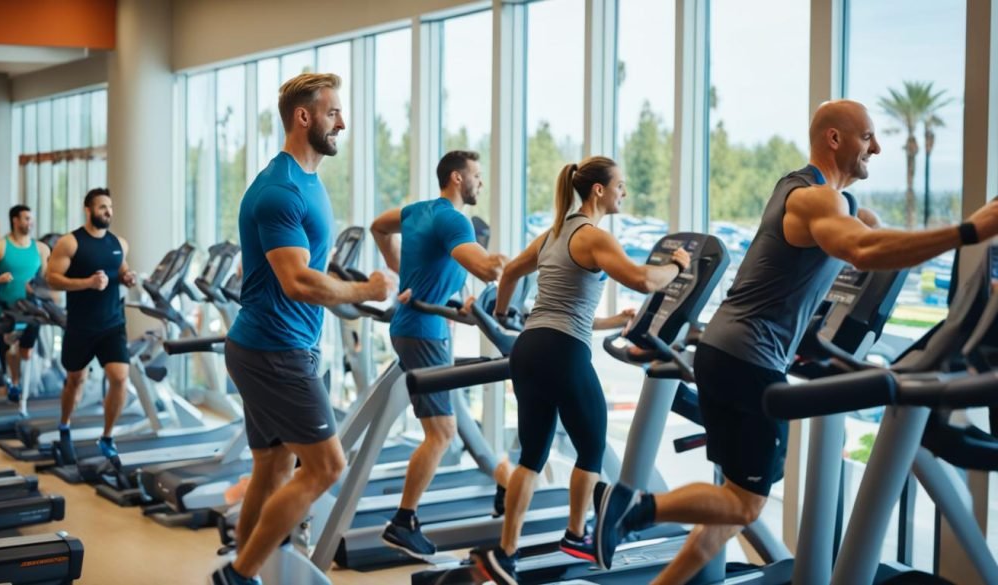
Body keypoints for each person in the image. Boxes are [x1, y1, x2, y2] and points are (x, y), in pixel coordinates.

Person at [594, 99, 998, 585]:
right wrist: (971, 230)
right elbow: (862, 250)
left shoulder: (819, 195)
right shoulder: (813, 199)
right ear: (834, 139)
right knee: (745, 503)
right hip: (750, 357)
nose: (878, 146)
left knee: (733, 504)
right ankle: (633, 507)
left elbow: (870, 242)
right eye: (868, 136)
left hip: (726, 350)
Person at [211, 72, 396, 585]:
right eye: (334, 112)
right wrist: (365, 290)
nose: (343, 122)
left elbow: (309, 269)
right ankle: (240, 575)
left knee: (271, 469)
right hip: (276, 350)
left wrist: (346, 288)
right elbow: (296, 281)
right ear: (304, 116)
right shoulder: (280, 190)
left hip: (272, 345)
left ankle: (242, 569)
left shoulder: (308, 181)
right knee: (325, 468)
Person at [471, 156, 691, 584]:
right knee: (591, 449)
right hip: (561, 352)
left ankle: (506, 552)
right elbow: (645, 280)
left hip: (530, 347)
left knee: (531, 458)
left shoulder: (554, 232)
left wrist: (503, 313)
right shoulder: (593, 236)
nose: (623, 192)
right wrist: (678, 265)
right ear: (598, 191)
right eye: (620, 186)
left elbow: (514, 274)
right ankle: (576, 534)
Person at [370, 150, 511, 560]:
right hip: (425, 333)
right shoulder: (454, 219)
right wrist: (496, 266)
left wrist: (400, 271)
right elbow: (480, 265)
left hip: (417, 325)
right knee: (442, 433)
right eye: (476, 176)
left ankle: (502, 478)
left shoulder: (417, 210)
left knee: (450, 422)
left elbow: (379, 226)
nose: (480, 184)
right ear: (456, 178)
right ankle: (403, 521)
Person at [46, 188, 137, 462]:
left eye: (110, 207)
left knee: (120, 378)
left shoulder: (119, 243)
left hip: (112, 324)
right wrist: (87, 283)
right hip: (81, 325)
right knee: (75, 380)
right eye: (102, 207)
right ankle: (64, 426)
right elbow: (52, 278)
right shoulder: (70, 243)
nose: (108, 212)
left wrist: (128, 277)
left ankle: (107, 437)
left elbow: (121, 270)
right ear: (88, 210)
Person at [0, 205, 51, 402]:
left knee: (26, 352)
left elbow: (47, 278)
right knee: (10, 348)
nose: (30, 222)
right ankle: (14, 383)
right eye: (26, 218)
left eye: (31, 219)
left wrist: (38, 288)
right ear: (15, 221)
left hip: (31, 308)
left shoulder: (41, 249)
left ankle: (19, 383)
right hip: (7, 309)